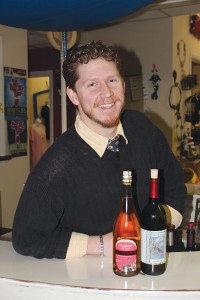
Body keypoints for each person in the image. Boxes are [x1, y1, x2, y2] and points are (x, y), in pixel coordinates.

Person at [12, 40, 186, 259]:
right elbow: (26, 238)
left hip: (148, 265)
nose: (107, 93)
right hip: (90, 279)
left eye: (111, 80)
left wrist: (158, 225)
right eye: (92, 85)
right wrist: (102, 244)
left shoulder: (141, 127)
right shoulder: (56, 166)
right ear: (73, 95)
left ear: (122, 85)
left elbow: (174, 183)